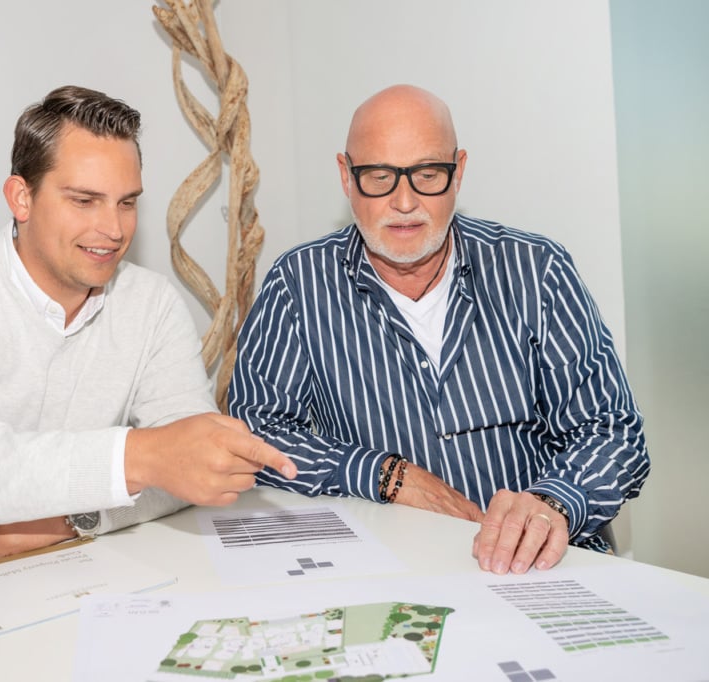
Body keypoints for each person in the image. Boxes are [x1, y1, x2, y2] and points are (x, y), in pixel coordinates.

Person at [0, 85, 295, 573]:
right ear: (21, 198)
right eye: (85, 200)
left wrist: (72, 520)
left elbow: (191, 469)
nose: (114, 229)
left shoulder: (152, 304)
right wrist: (145, 455)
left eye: (127, 203)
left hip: (51, 572)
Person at [229, 84, 649, 576]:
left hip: (540, 567)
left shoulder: (537, 270)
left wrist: (552, 503)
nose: (404, 202)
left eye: (428, 175)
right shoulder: (298, 284)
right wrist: (386, 475)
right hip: (390, 570)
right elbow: (257, 433)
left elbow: (612, 431)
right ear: (346, 176)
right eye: (379, 177)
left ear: (459, 171)